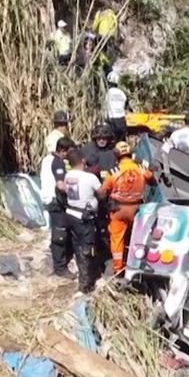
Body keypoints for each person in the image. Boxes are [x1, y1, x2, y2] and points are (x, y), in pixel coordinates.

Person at [99, 141, 154, 275]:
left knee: (117, 239)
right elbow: (152, 178)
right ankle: (139, 264)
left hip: (118, 209)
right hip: (137, 209)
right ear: (131, 154)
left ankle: (118, 269)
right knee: (140, 237)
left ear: (116, 156)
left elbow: (102, 192)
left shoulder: (113, 172)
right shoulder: (140, 169)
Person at [63, 150, 103, 294]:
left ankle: (83, 275)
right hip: (84, 218)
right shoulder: (90, 177)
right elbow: (102, 192)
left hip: (71, 214)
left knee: (78, 247)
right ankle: (86, 285)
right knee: (87, 249)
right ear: (83, 161)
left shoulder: (68, 176)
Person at [41, 137, 76, 278]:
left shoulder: (47, 159)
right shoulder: (58, 163)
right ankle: (60, 268)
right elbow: (60, 185)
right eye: (69, 153)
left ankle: (58, 257)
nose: (69, 156)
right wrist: (74, 192)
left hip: (47, 198)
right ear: (62, 151)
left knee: (58, 230)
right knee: (60, 234)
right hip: (56, 201)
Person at [105, 71, 128, 141]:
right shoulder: (122, 93)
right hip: (122, 120)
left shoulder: (107, 93)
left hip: (112, 120)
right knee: (121, 141)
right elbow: (125, 105)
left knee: (111, 141)